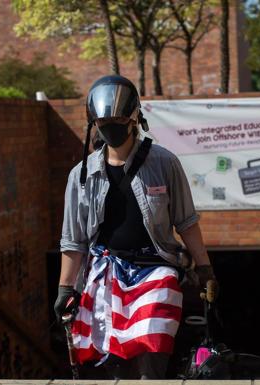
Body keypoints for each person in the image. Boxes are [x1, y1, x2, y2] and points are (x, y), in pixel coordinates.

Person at [54, 75, 217, 379]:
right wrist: (66, 288)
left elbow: (186, 222)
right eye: (104, 120)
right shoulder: (81, 175)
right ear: (94, 123)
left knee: (153, 336)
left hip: (155, 268)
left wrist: (204, 268)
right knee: (108, 351)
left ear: (133, 119)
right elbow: (73, 240)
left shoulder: (165, 163)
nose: (111, 125)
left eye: (117, 118)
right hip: (103, 271)